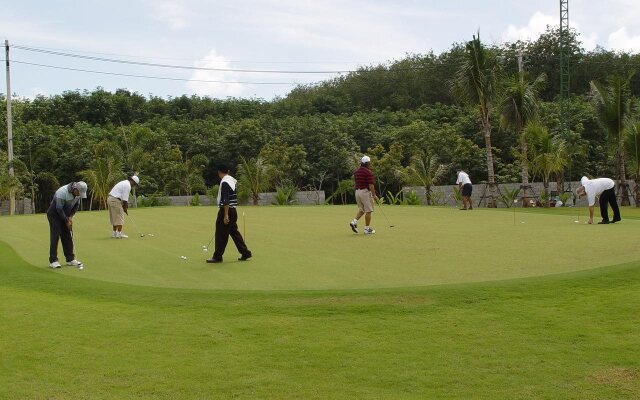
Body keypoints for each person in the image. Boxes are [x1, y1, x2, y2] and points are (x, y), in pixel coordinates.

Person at [206, 165, 252, 263]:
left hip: (226, 210)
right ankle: (245, 253)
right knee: (234, 232)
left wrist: (225, 215)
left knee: (221, 234)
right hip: (233, 210)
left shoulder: (225, 182)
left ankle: (217, 256)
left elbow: (226, 200)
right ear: (228, 171)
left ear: (219, 172)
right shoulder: (231, 180)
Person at [47, 181, 88, 268]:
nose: (79, 195)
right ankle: (53, 261)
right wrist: (66, 220)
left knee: (67, 235)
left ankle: (70, 259)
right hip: (54, 214)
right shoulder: (62, 192)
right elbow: (59, 209)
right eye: (79, 193)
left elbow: (76, 206)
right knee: (55, 235)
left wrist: (70, 217)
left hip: (65, 214)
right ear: (75, 189)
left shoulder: (77, 195)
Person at [349, 155, 378, 235]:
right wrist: (374, 195)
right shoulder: (368, 172)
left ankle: (353, 222)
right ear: (368, 163)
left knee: (362, 210)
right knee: (369, 210)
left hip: (357, 192)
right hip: (365, 192)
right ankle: (367, 229)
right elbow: (371, 185)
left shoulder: (356, 171)